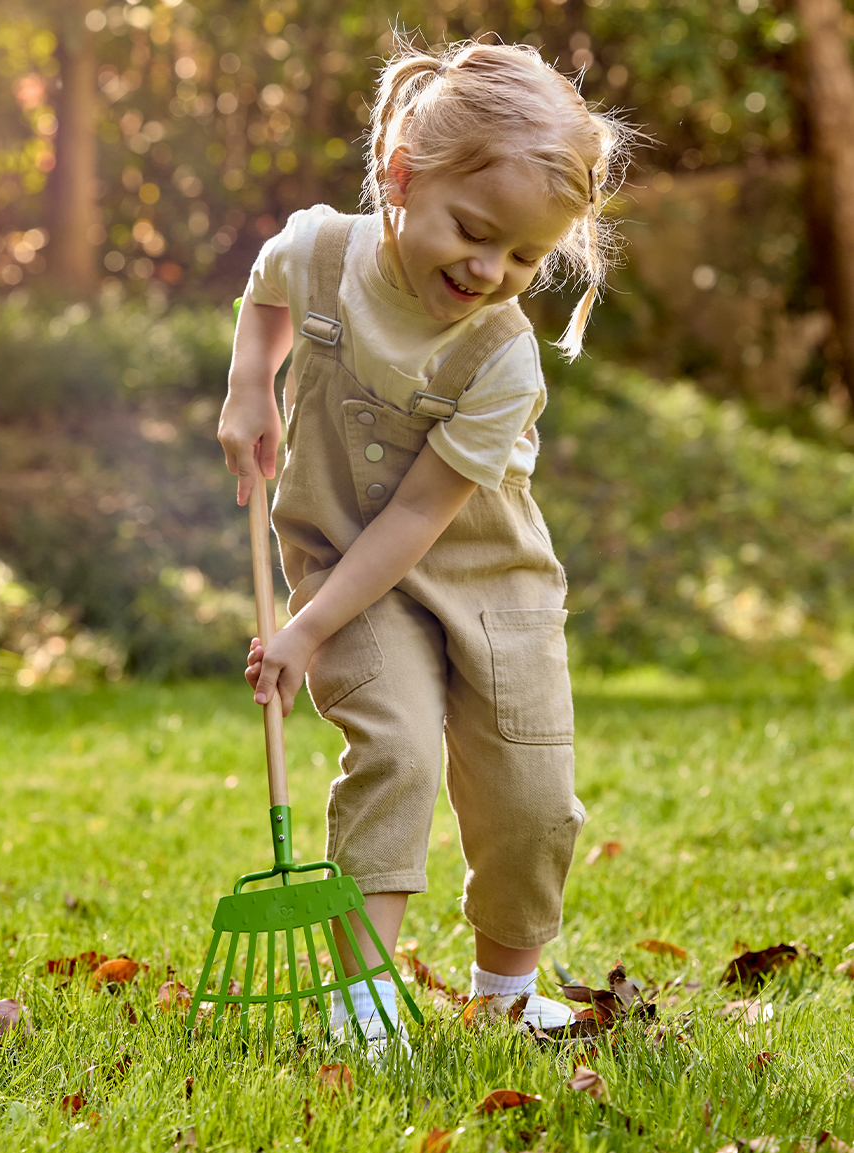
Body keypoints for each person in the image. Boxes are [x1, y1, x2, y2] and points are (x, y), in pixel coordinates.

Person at [218, 39, 628, 1054]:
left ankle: (506, 987)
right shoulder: (319, 249)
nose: (492, 272)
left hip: (489, 578)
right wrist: (248, 386)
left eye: (526, 258)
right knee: (394, 747)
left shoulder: (501, 357)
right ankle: (364, 1008)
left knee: (529, 796)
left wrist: (299, 634)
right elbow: (267, 295)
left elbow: (419, 516)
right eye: (475, 232)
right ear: (401, 174)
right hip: (345, 565)